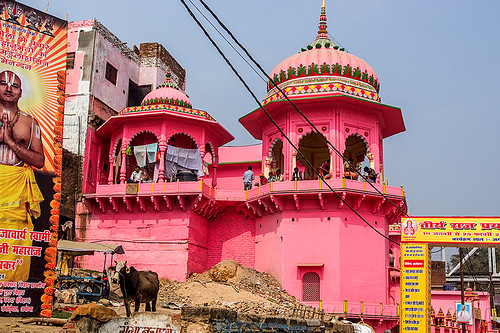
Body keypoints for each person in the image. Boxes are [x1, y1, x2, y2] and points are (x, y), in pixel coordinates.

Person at [0, 70, 45, 282]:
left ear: (21, 93)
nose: (8, 88)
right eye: (3, 84)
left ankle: (9, 288)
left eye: (14, 86)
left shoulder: (31, 123)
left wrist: (11, 143)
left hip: (16, 189)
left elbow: (39, 161)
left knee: (14, 240)